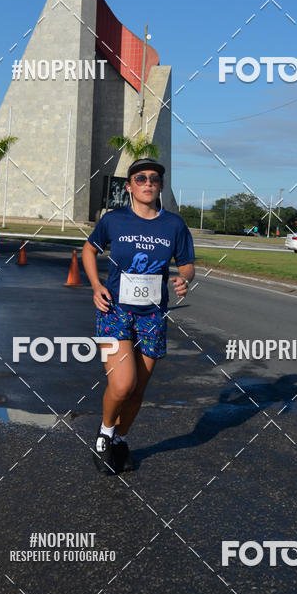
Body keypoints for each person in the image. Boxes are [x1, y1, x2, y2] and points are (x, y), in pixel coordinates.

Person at [82, 158, 195, 475]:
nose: (148, 183)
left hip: (153, 316)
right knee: (122, 385)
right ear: (129, 186)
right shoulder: (114, 220)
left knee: (138, 391)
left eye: (155, 179)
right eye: (141, 178)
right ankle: (104, 435)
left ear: (160, 186)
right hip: (114, 311)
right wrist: (95, 285)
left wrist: (185, 278)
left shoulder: (173, 225)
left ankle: (121, 439)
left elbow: (187, 264)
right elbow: (89, 250)